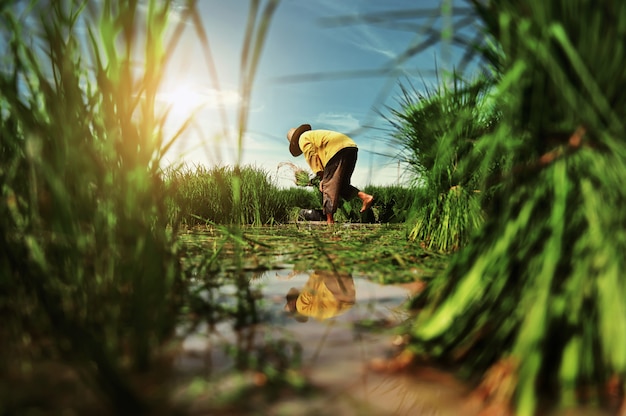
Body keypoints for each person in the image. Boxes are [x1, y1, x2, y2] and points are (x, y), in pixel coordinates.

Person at [286, 124, 374, 224]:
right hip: (350, 147)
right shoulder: (313, 136)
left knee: (328, 187)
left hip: (336, 150)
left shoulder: (302, 138)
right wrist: (323, 177)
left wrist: (323, 178)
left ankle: (329, 222)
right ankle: (365, 197)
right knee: (342, 186)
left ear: (294, 141)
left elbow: (311, 155)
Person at [284, 270, 356, 322]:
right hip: (337, 296)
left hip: (347, 300)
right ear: (292, 303)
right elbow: (314, 281)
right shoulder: (301, 307)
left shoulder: (311, 309)